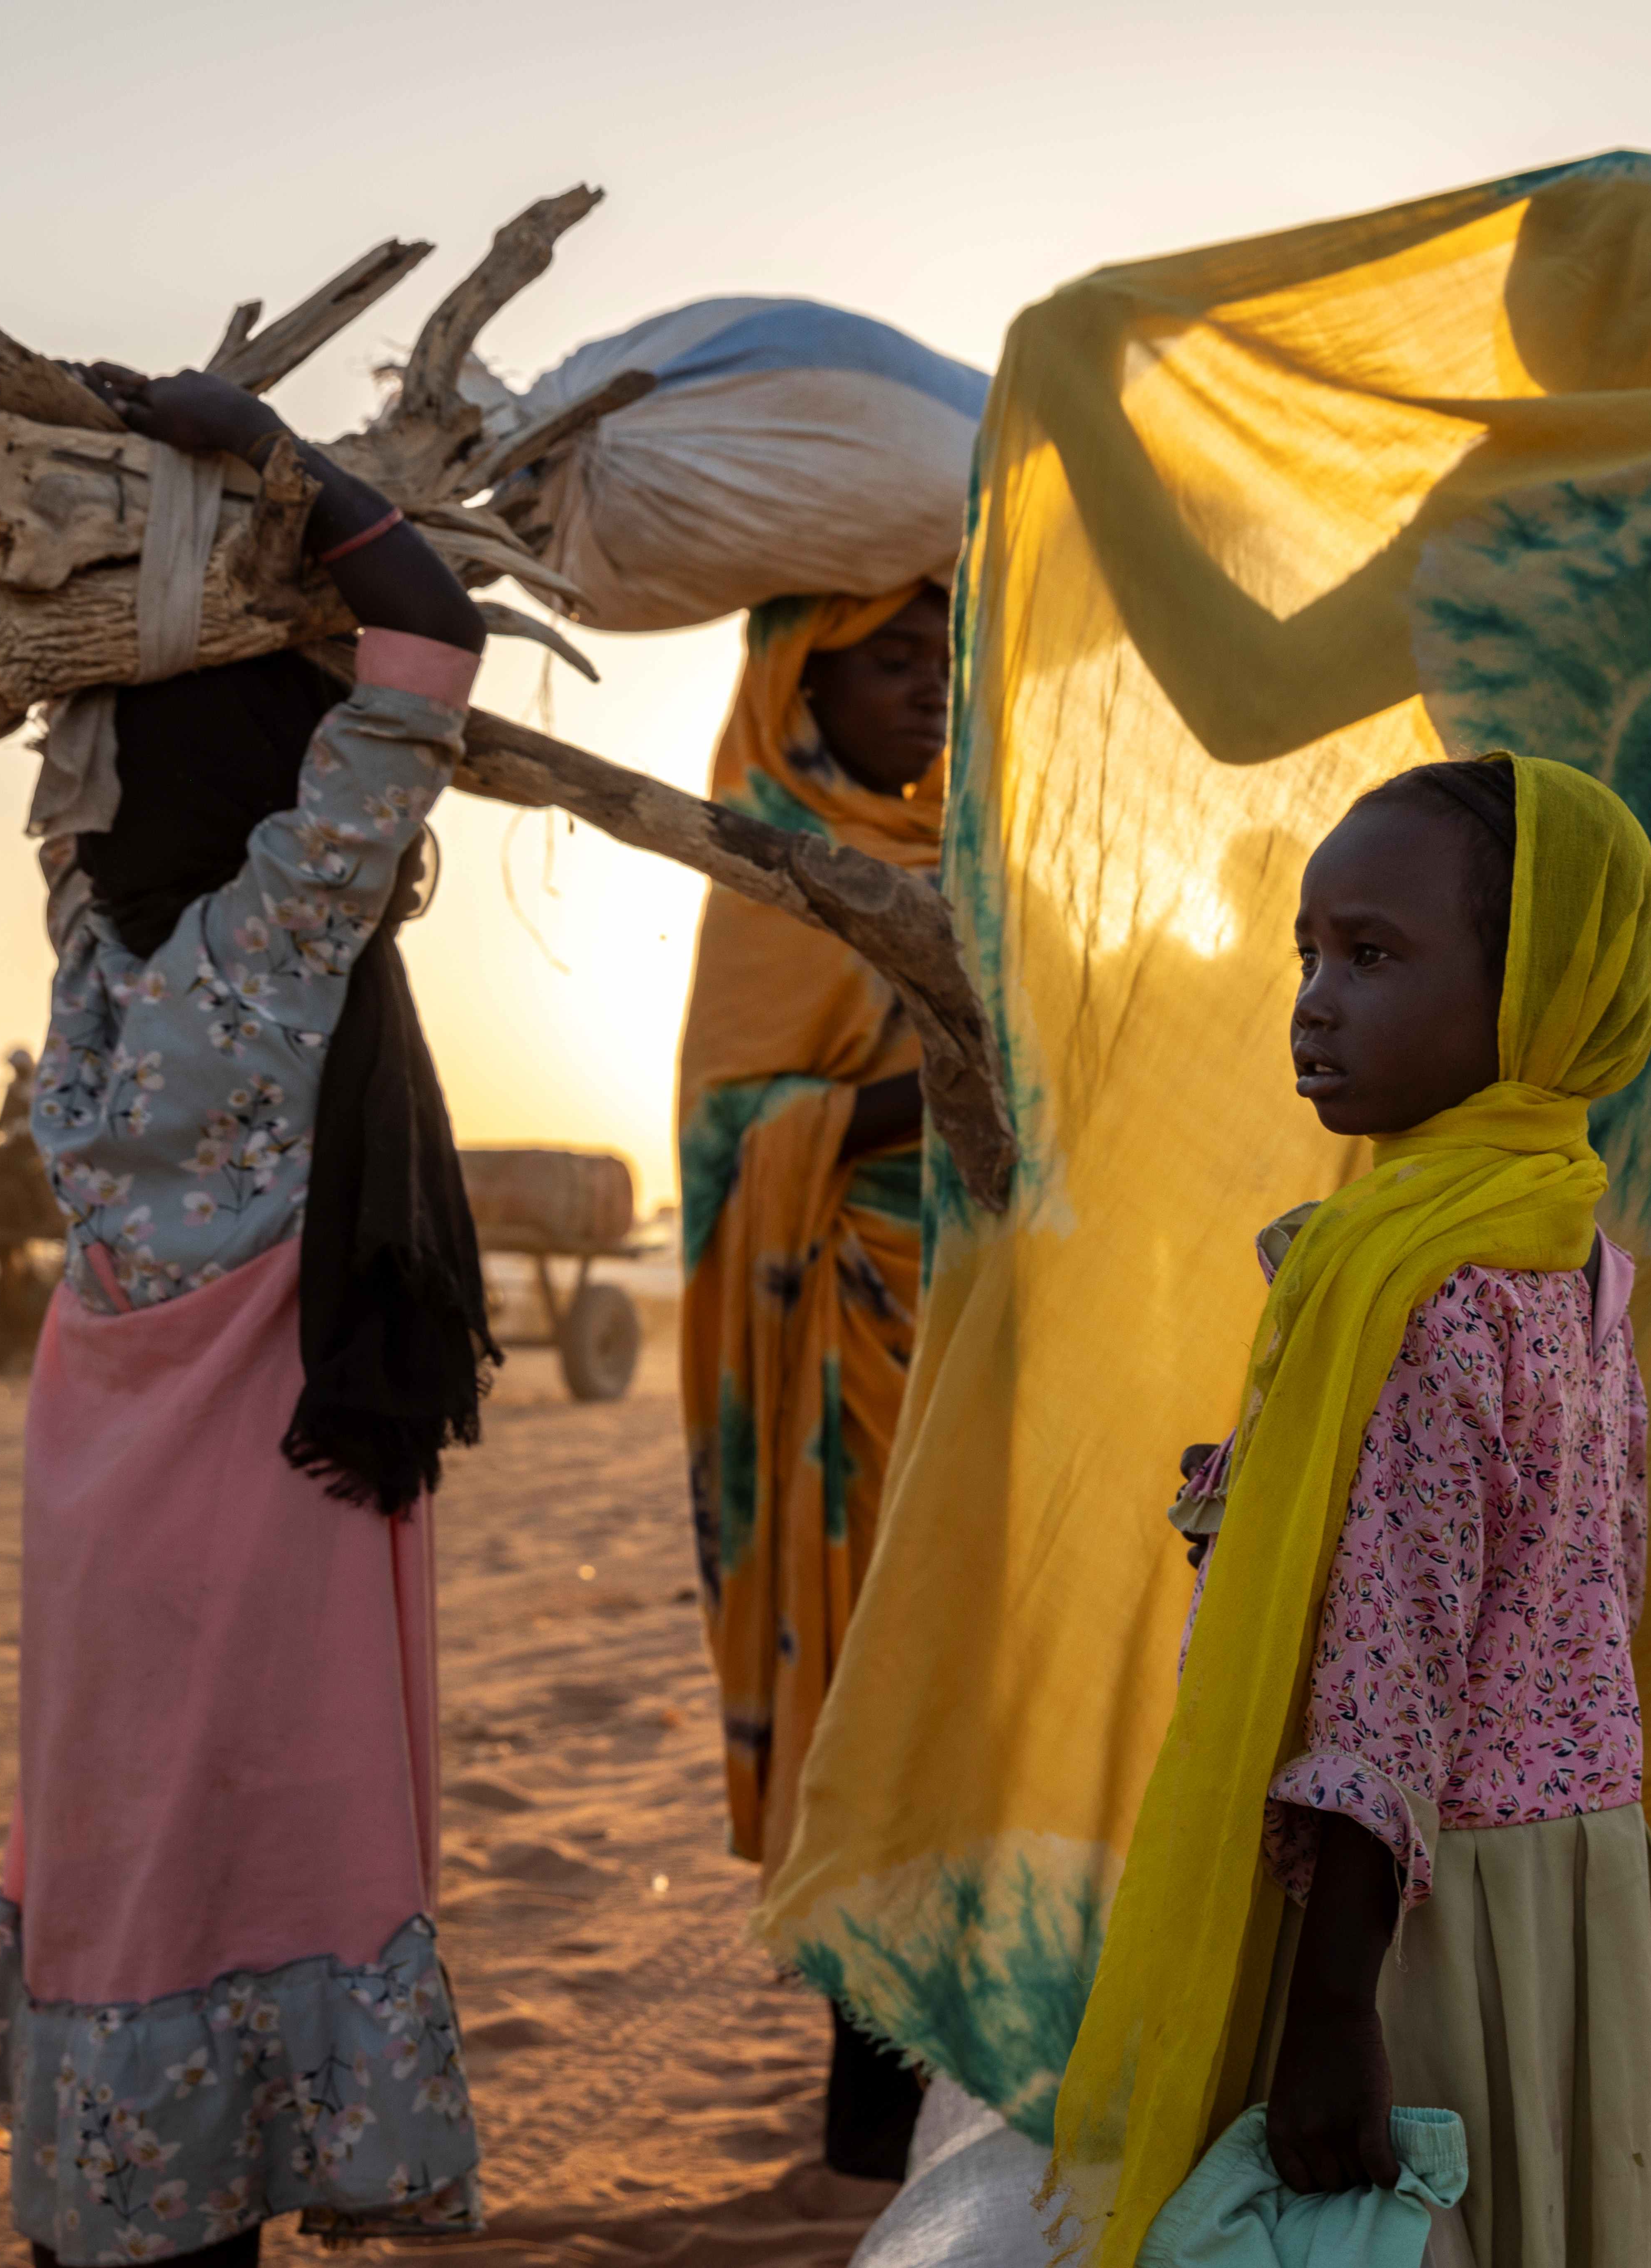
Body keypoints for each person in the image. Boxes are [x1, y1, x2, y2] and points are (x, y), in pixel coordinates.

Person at [754, 160, 1651, 2264]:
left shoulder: (1494, 512)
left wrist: (1086, 402)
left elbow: (1255, 700)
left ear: (1532, 321)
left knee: (1423, 1649)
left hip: (1550, 1145)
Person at [0, 364, 499, 2267]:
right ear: (279, 789)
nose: (75, 811)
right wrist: (276, 452)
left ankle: (116, 2200)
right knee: (245, 1843)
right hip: (253, 1522)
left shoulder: (89, 965)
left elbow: (95, 757)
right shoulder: (268, 951)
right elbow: (435, 628)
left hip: (97, 1513)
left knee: (129, 1862)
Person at [1059, 755, 1651, 2268]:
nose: (1311, 998)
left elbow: (1390, 1672)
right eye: (1306, 951)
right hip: (1578, 1875)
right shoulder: (1572, 1249)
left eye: (1370, 954)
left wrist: (1332, 2008)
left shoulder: (1409, 1284)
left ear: (1537, 996)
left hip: (1422, 1911)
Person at [675, 581, 948, 2176]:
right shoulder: (769, 865)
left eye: (941, 660)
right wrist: (970, 1065)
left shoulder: (962, 855)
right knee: (875, 1697)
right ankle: (874, 2112)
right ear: (798, 681)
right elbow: (737, 1132)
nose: (926, 690)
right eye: (888, 661)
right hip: (842, 1356)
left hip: (974, 1323)